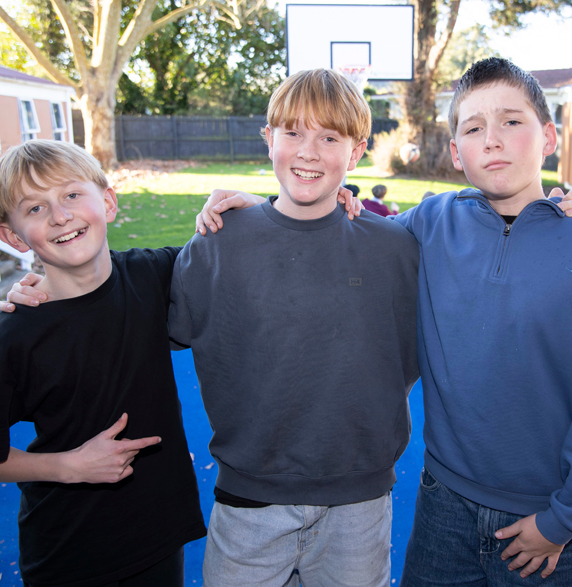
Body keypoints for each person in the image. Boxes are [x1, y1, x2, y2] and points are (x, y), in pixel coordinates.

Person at [393, 58, 572, 586]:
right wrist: (258, 211)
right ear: (455, 152)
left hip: (548, 520)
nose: (491, 139)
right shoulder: (429, 222)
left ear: (549, 137)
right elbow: (344, 234)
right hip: (442, 503)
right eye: (473, 128)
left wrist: (565, 519)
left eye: (512, 121)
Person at [167, 68, 420, 587]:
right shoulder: (218, 243)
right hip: (248, 505)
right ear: (268, 140)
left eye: (329, 137)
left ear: (356, 153)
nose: (308, 151)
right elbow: (138, 312)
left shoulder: (394, 250)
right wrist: (50, 283)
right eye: (293, 133)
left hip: (360, 504)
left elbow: (413, 354)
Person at [0, 140, 207, 587]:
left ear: (107, 202)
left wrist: (333, 196)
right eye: (34, 208)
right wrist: (71, 466)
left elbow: (244, 230)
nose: (59, 215)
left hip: (159, 533)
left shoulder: (151, 276)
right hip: (70, 550)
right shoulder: (14, 334)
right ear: (13, 237)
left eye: (72, 195)